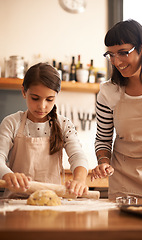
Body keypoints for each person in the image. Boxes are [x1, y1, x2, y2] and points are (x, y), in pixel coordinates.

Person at [91, 19, 142, 199]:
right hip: (126, 182)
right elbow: (103, 139)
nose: (116, 61)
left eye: (123, 53)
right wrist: (103, 162)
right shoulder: (108, 93)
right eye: (111, 54)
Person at [0, 62, 89, 198]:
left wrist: (80, 180)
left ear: (56, 95)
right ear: (24, 92)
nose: (42, 106)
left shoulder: (64, 124)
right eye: (35, 98)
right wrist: (8, 175)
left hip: (51, 201)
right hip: (15, 201)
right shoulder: (11, 122)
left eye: (49, 99)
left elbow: (77, 155)